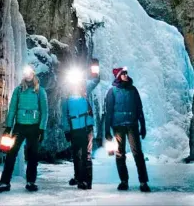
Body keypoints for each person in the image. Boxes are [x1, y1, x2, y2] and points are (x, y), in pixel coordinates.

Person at [0, 64, 48, 193]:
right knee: (11, 154)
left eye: (29, 72)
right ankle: (4, 182)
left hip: (34, 128)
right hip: (19, 127)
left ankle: (31, 182)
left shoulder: (40, 91)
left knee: (33, 156)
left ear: (33, 73)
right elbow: (12, 109)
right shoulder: (18, 90)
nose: (27, 75)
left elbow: (45, 112)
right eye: (25, 73)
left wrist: (42, 129)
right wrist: (8, 127)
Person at [104, 66, 150, 192]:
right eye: (123, 73)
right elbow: (108, 112)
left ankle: (143, 182)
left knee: (138, 153)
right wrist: (107, 130)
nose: (126, 75)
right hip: (118, 126)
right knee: (120, 154)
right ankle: (124, 181)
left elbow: (139, 109)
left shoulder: (133, 90)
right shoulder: (112, 92)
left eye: (126, 73)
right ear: (118, 76)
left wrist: (143, 125)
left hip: (132, 125)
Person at [62, 58, 101, 190]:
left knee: (86, 155)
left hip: (86, 127)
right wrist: (67, 130)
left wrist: (95, 68)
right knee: (76, 154)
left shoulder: (85, 89)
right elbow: (64, 114)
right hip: (74, 129)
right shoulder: (66, 97)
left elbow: (95, 80)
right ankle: (78, 177)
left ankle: (86, 181)